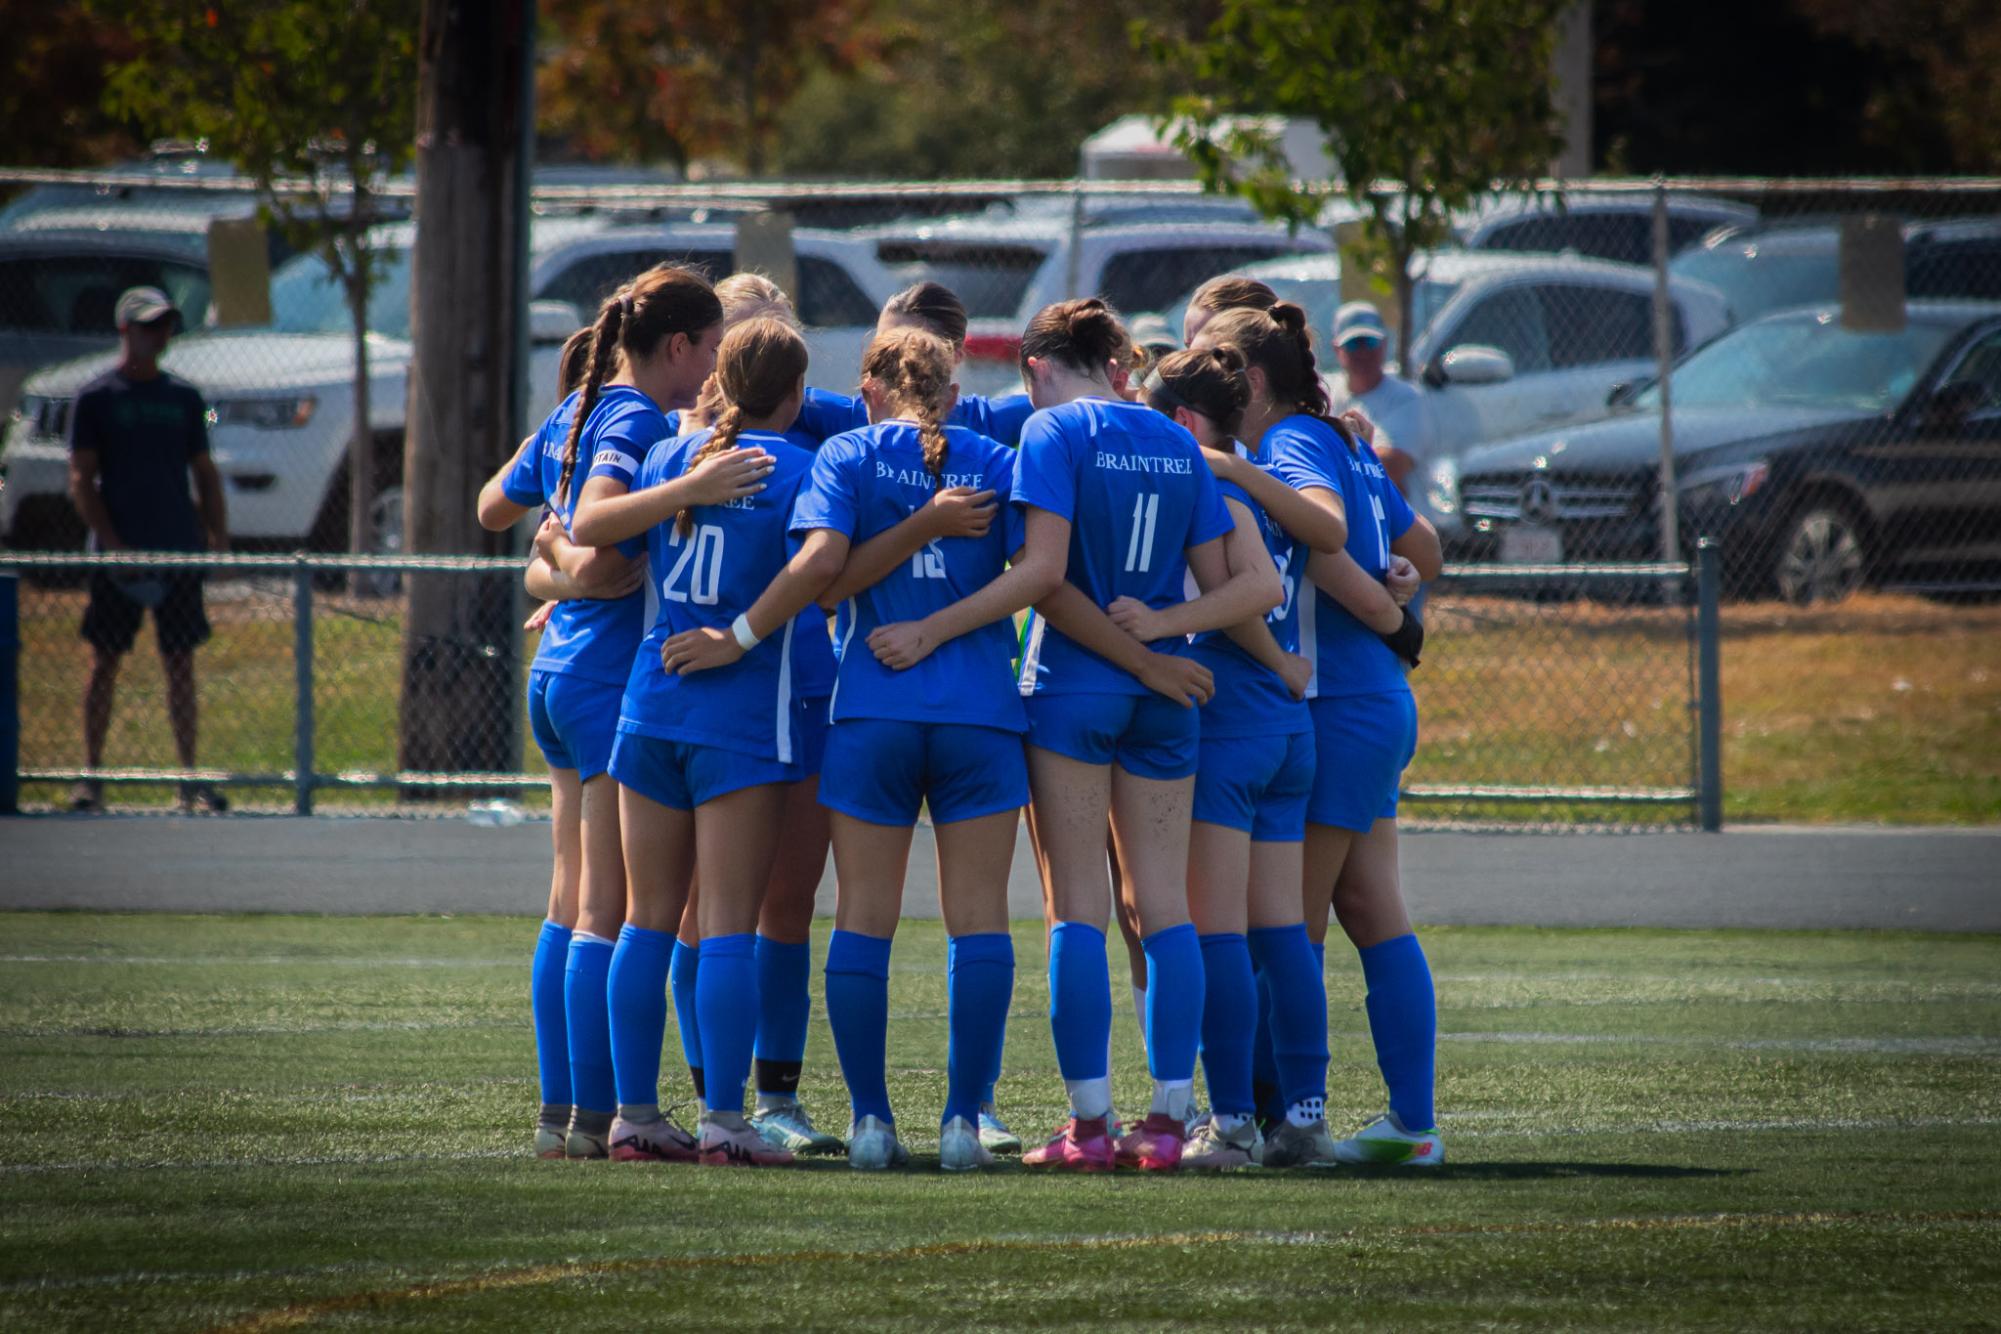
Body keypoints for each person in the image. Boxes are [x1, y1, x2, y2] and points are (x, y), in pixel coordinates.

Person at [1009, 298, 1281, 1174]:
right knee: (1165, 910)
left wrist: (1137, 649)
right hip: (1165, 698)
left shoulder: (1050, 435)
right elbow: (1238, 587)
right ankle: (1168, 1122)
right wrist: (1163, 643)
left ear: (1039, 369)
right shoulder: (1171, 439)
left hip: (1075, 689)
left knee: (1076, 912)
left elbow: (1045, 583)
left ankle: (1087, 1129)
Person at [787, 325, 1065, 1171]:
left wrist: (910, 609)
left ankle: (870, 1123)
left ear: (870, 387)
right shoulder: (992, 456)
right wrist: (944, 619)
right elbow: (1036, 576)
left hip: (871, 710)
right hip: (980, 715)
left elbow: (824, 583)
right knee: (978, 921)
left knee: (862, 921)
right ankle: (959, 1124)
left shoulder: (846, 454)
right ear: (949, 392)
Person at [578, 317, 844, 1168]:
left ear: (718, 380)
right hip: (735, 722)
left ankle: (634, 1117)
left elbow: (593, 523)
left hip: (648, 710)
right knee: (728, 923)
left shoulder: (665, 456)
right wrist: (740, 634)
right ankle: (727, 1122)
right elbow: (820, 563)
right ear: (797, 395)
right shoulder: (798, 464)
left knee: (646, 923)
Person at [485, 265, 735, 1162]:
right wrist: (679, 497)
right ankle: (595, 1117)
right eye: (708, 347)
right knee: (605, 908)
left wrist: (545, 551)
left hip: (554, 672)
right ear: (676, 346)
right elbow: (592, 545)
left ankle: (561, 1117)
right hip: (598, 680)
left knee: (568, 901)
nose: (711, 366)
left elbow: (494, 509)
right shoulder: (631, 416)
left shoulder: (577, 411)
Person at [1196, 302, 1445, 1168]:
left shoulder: (1294, 444)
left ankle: (1280, 1120)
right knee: (1371, 907)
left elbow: (1338, 560)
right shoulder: (1335, 436)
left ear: (1252, 380)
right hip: (1370, 700)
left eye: (1214, 369)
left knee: (1284, 926)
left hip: (1335, 701)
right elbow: (1426, 548)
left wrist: (1388, 606)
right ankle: (1409, 1123)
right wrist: (1401, 593)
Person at [1125, 346, 1350, 1169]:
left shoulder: (1208, 482)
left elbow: (1244, 592)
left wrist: (1161, 626)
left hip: (1228, 727)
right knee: (1283, 933)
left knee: (1215, 934)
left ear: (1184, 423)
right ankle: (1304, 1116)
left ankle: (1230, 1125)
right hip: (1286, 734)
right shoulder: (1260, 472)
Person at [66, 286, 229, 816]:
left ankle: (187, 780)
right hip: (119, 557)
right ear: (124, 331)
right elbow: (82, 479)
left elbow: (204, 473)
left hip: (176, 549)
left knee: (180, 662)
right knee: (104, 661)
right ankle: (90, 779)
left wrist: (216, 536)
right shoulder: (95, 398)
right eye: (148, 326)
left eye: (164, 327)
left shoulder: (186, 398)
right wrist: (112, 546)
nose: (158, 336)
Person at [1323, 301, 1436, 498]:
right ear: (1337, 349)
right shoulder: (1329, 394)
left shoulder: (1407, 398)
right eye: (1352, 343)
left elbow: (1390, 467)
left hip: (1403, 524)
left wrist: (1325, 457)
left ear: (1384, 344)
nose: (1363, 352)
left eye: (1370, 342)